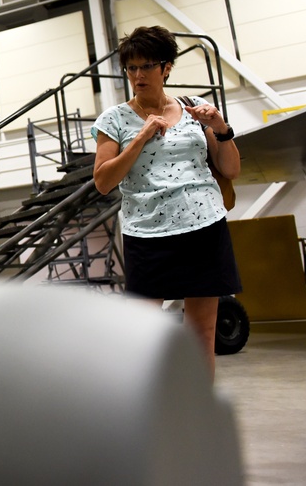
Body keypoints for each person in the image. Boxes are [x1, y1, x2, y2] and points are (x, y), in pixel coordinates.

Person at [91, 25, 242, 380]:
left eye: (146, 67)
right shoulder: (114, 120)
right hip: (147, 234)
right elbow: (103, 181)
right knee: (142, 334)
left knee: (202, 330)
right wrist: (140, 138)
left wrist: (221, 127)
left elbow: (230, 169)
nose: (138, 75)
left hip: (204, 227)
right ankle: (145, 413)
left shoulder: (194, 109)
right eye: (131, 68)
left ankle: (198, 409)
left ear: (167, 67)